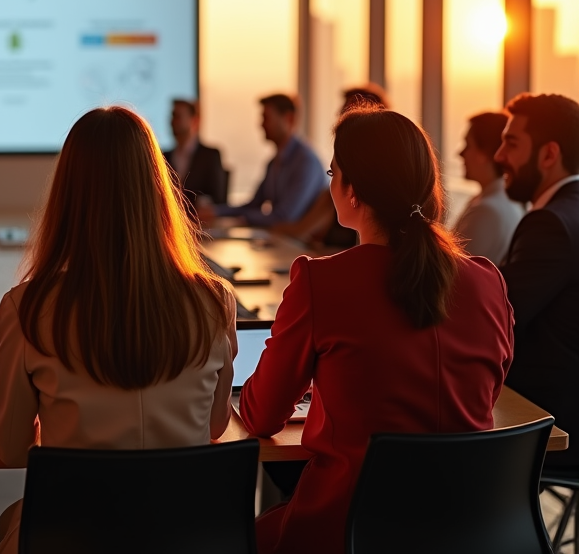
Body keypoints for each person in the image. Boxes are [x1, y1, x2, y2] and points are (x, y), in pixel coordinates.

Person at [240, 105, 512, 554]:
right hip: (467, 530)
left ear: (352, 191)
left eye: (333, 172)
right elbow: (485, 390)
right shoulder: (486, 280)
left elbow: (261, 415)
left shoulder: (319, 281)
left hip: (346, 530)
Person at [0, 106, 237, 554]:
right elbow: (217, 424)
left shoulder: (26, 307)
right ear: (158, 190)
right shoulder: (214, 302)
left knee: (12, 520)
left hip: (75, 537)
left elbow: (10, 450)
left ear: (68, 195)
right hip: (186, 536)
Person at [494, 92, 579, 470]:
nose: (500, 157)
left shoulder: (551, 224)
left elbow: (497, 318)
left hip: (554, 419)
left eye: (511, 143)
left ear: (549, 154)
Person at [272, 85, 389, 248]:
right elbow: (301, 231)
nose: (339, 123)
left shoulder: (382, 200)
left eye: (347, 117)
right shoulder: (336, 193)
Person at [211, 94, 327, 227]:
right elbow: (254, 204)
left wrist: (243, 219)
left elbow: (285, 217)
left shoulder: (306, 161)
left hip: (301, 244)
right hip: (282, 239)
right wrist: (215, 211)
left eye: (266, 118)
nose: (261, 125)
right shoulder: (273, 163)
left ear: (289, 119)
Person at [453, 111, 523, 264]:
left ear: (485, 153)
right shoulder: (509, 200)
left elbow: (454, 273)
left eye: (468, 145)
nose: (460, 153)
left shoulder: (486, 211)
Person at [163, 98, 227, 205]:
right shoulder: (164, 157)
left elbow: (217, 198)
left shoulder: (210, 156)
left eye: (178, 116)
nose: (172, 121)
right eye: (172, 116)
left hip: (200, 220)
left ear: (194, 120)